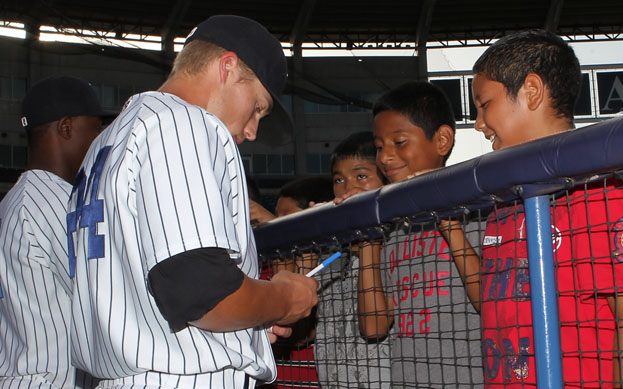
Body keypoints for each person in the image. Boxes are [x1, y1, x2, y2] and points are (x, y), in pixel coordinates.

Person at [66, 15, 318, 389]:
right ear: (228, 67)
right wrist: (283, 297)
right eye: (258, 108)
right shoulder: (183, 123)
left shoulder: (109, 139)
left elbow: (165, 296)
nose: (251, 131)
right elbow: (202, 293)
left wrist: (244, 331)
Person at [465, 29, 623, 387]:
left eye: (484, 104)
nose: (478, 124)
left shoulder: (599, 193)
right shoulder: (503, 204)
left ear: (531, 91)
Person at [357, 81, 484, 387]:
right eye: (378, 147)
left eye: (399, 142)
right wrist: (368, 239)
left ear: (441, 140)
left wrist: (448, 223)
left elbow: (490, 303)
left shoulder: (478, 210)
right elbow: (374, 327)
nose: (385, 157)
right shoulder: (391, 227)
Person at [0, 75, 112, 388]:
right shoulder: (53, 202)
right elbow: (106, 294)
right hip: (49, 380)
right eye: (94, 128)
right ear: (65, 128)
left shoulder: (18, 199)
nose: (99, 139)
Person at [313, 131, 392, 388]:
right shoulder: (331, 252)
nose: (348, 188)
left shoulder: (395, 245)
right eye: (338, 179)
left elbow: (375, 326)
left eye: (361, 176)